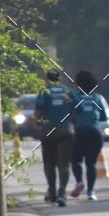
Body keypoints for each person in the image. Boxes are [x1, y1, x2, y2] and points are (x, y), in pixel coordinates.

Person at [34, 70, 77, 207]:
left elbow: (38, 111)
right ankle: (62, 193)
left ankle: (52, 191)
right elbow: (78, 108)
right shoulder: (68, 92)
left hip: (48, 131)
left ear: (47, 79)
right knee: (64, 164)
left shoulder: (44, 91)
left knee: (49, 163)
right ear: (60, 79)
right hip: (66, 131)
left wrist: (36, 121)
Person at [70, 70, 109, 201]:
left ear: (78, 84)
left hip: (78, 133)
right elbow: (106, 121)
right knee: (91, 164)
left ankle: (79, 181)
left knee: (75, 160)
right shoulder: (98, 98)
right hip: (94, 133)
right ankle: (90, 192)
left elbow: (70, 117)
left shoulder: (74, 98)